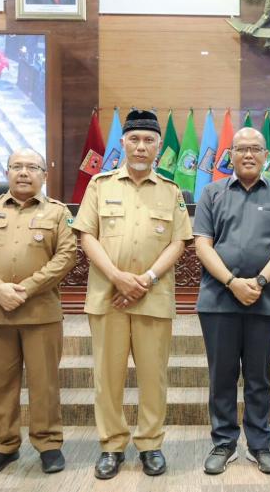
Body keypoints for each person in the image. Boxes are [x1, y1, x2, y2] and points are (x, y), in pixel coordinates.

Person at [71, 110, 192, 480]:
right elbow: (86, 236)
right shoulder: (100, 185)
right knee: (107, 377)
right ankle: (111, 445)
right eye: (134, 140)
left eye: (149, 140)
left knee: (154, 376)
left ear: (159, 146)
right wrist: (118, 277)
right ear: (122, 143)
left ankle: (151, 444)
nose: (141, 146)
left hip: (153, 299)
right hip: (108, 296)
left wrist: (147, 279)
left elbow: (179, 241)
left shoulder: (171, 190)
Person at [194, 127, 270, 475]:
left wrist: (257, 282)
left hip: (264, 299)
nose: (249, 154)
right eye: (241, 149)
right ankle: (224, 443)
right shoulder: (211, 192)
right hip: (218, 300)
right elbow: (202, 245)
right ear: (231, 155)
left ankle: (259, 444)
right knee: (221, 376)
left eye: (256, 148)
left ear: (266, 156)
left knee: (259, 377)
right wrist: (230, 282)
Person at [0, 148, 77, 476]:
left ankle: (48, 442)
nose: (23, 172)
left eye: (31, 167)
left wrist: (25, 288)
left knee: (45, 384)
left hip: (41, 313)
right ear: (8, 172)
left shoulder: (57, 213)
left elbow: (66, 257)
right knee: (1, 383)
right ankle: (5, 445)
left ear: (44, 174)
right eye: (16, 167)